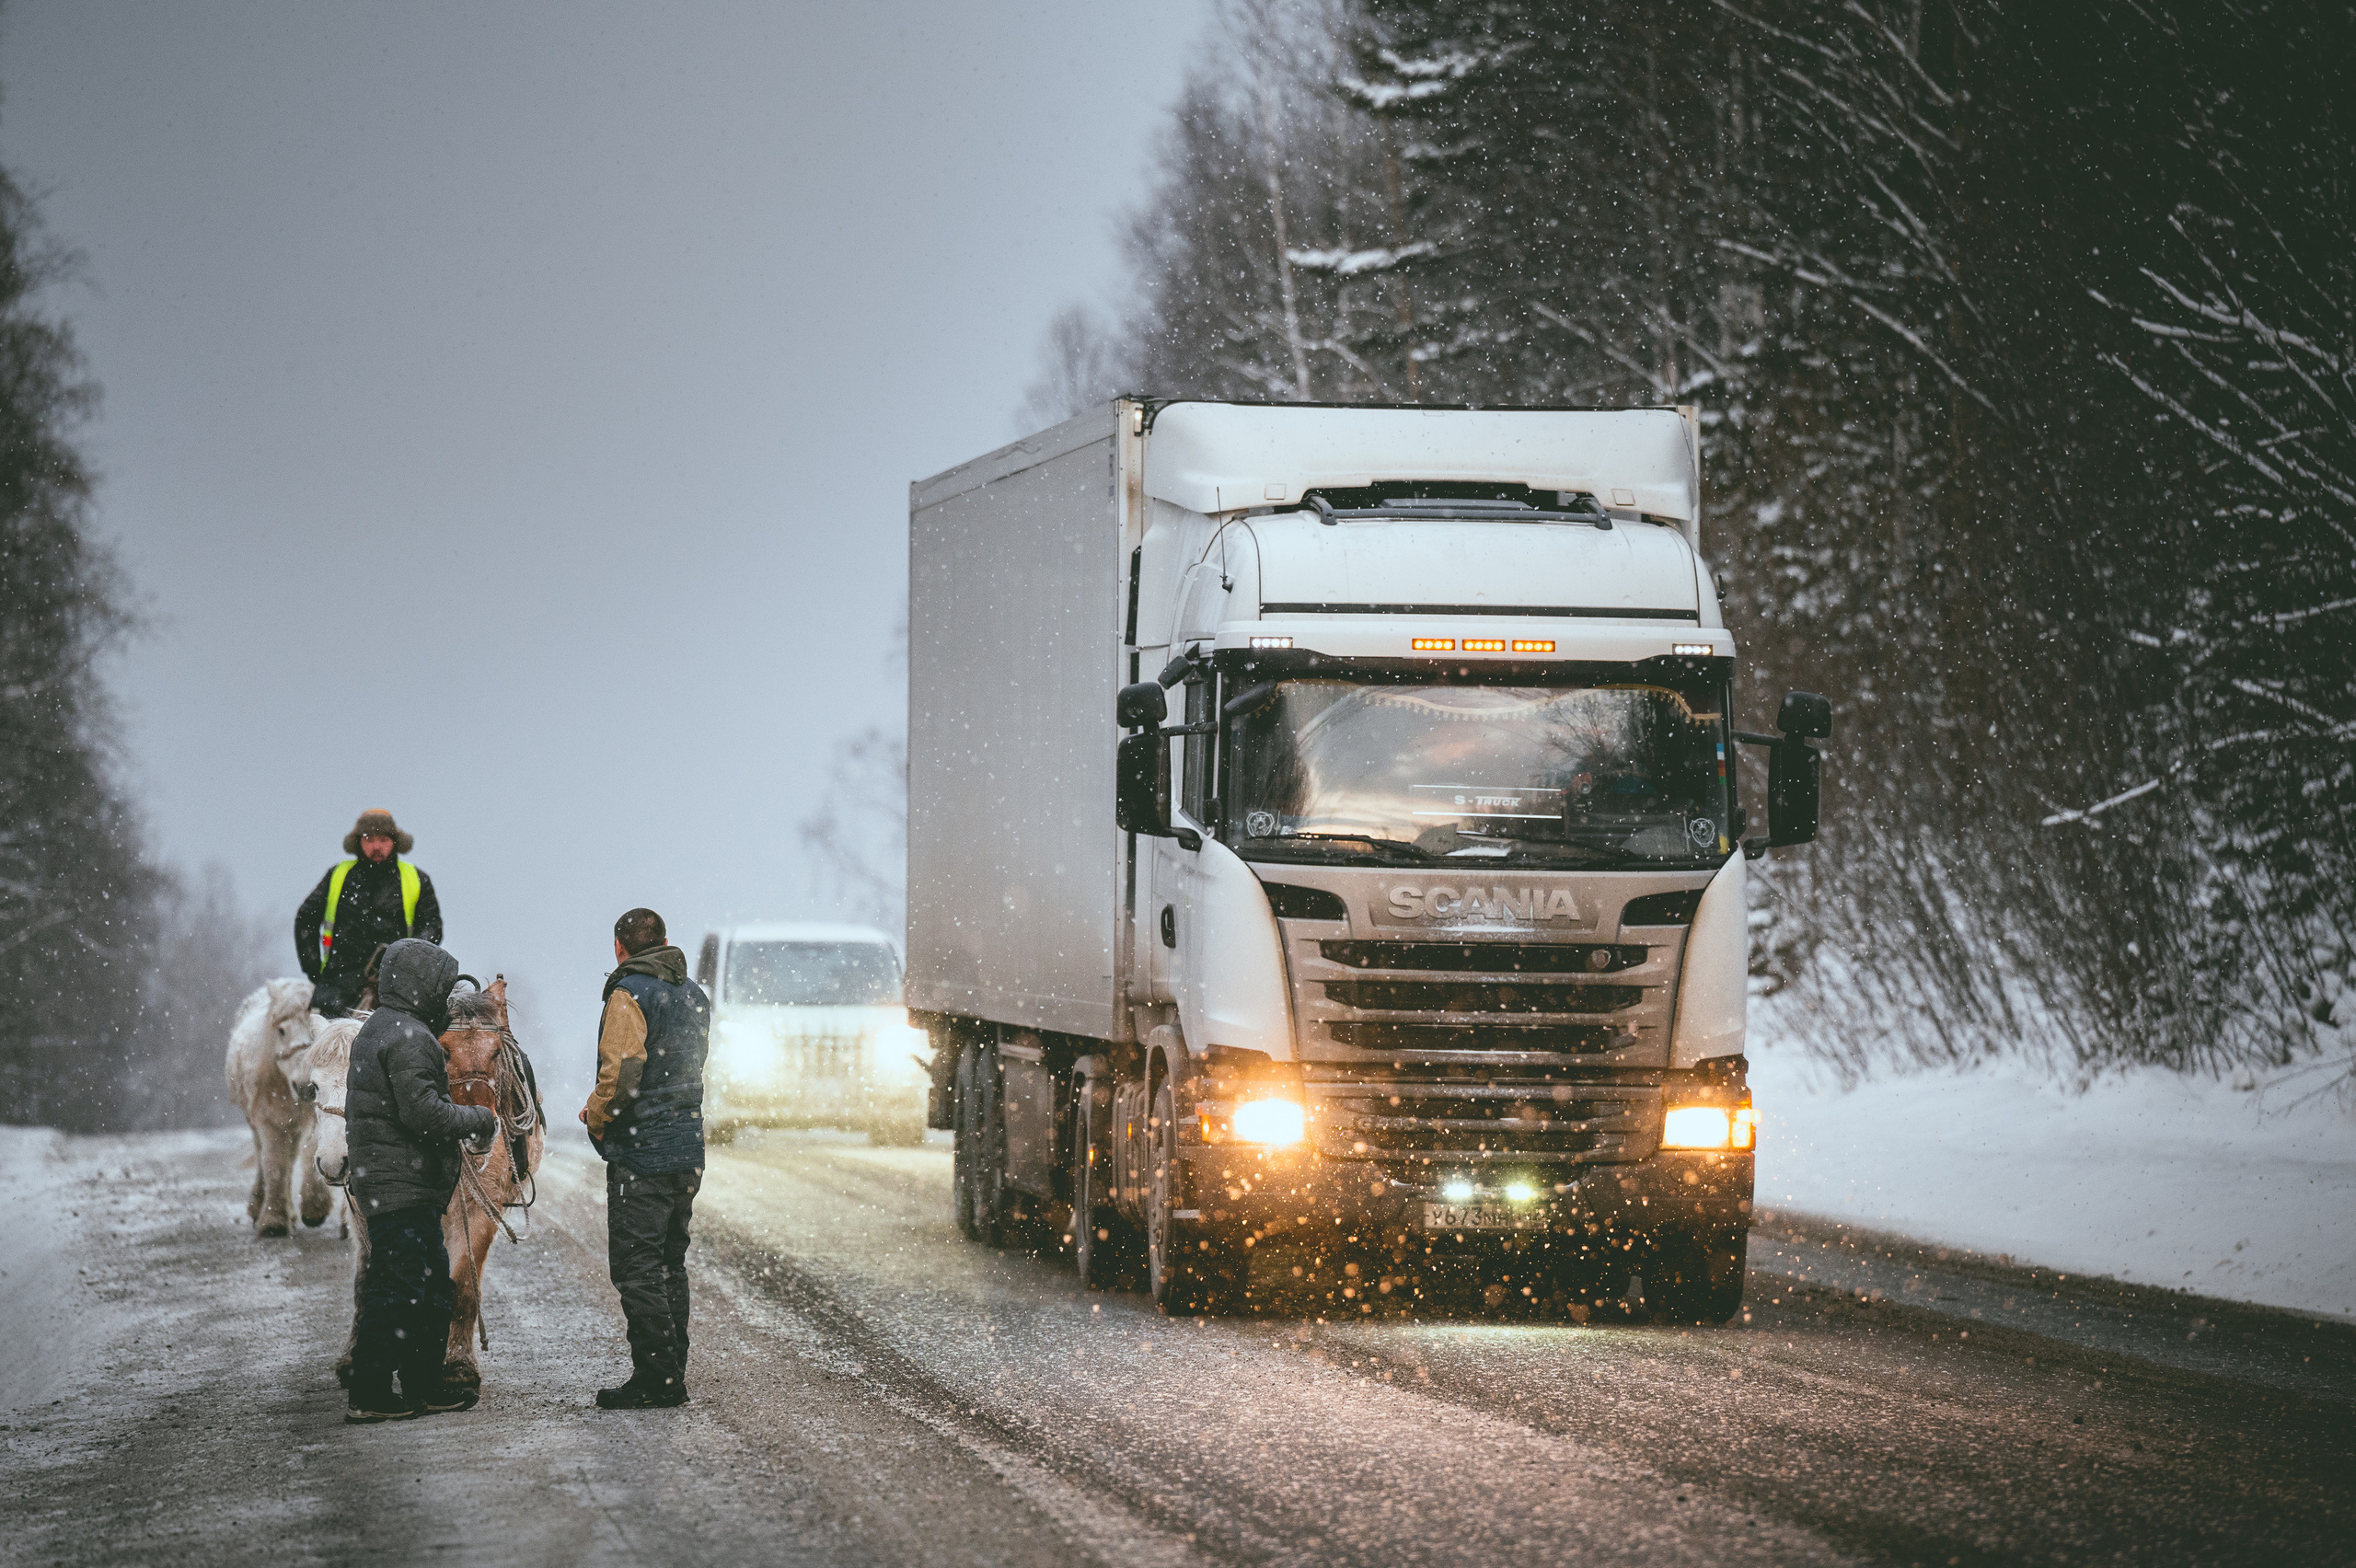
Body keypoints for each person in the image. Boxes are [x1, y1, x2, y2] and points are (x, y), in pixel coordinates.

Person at [341, 937, 497, 1423]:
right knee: (400, 1287)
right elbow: (423, 1114)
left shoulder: (385, 1029)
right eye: (440, 987)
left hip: (399, 1185)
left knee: (429, 1285)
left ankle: (422, 1384)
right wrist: (476, 1119)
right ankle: (370, 1392)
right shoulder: (409, 1038)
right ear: (420, 986)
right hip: (400, 1188)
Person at [581, 906, 710, 1410]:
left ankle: (657, 1379)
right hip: (686, 1148)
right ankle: (672, 1369)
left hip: (644, 1153)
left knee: (637, 1268)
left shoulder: (628, 993)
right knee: (669, 1262)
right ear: (665, 942)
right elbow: (693, 1065)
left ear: (619, 947)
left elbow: (621, 1075)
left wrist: (596, 1116)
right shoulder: (694, 994)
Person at [295, 809, 444, 1018]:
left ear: (395, 842)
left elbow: (432, 928)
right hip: (339, 987)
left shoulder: (416, 879)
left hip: (396, 989)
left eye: (383, 839)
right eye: (369, 839)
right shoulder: (338, 876)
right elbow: (306, 919)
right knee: (322, 1047)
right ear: (358, 843)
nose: (377, 846)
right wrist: (313, 969)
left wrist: (406, 961)